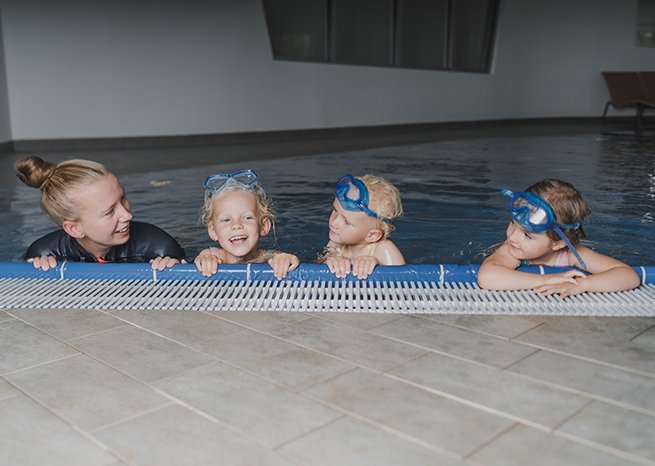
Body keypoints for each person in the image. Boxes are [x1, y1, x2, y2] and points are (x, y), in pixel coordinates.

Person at [15, 156, 185, 271]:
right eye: (110, 211)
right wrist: (42, 274)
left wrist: (174, 269)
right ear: (74, 229)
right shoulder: (44, 253)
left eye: (123, 198)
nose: (128, 215)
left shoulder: (159, 247)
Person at [478, 178, 640, 298]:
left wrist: (584, 284)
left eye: (527, 234)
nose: (512, 236)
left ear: (559, 243)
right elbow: (487, 276)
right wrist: (547, 280)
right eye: (512, 223)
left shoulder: (571, 253)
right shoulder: (512, 249)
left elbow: (628, 275)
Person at [193, 169, 299, 280]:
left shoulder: (266, 256)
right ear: (213, 231)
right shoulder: (212, 255)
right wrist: (204, 261)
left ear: (264, 226)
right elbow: (202, 258)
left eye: (247, 218)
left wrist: (284, 260)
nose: (236, 225)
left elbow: (279, 256)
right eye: (226, 220)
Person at [320, 174, 404, 279]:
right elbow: (317, 267)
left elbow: (403, 282)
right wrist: (329, 262)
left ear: (372, 235)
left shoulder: (385, 250)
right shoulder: (336, 242)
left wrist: (379, 267)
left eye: (346, 221)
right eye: (335, 211)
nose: (334, 223)